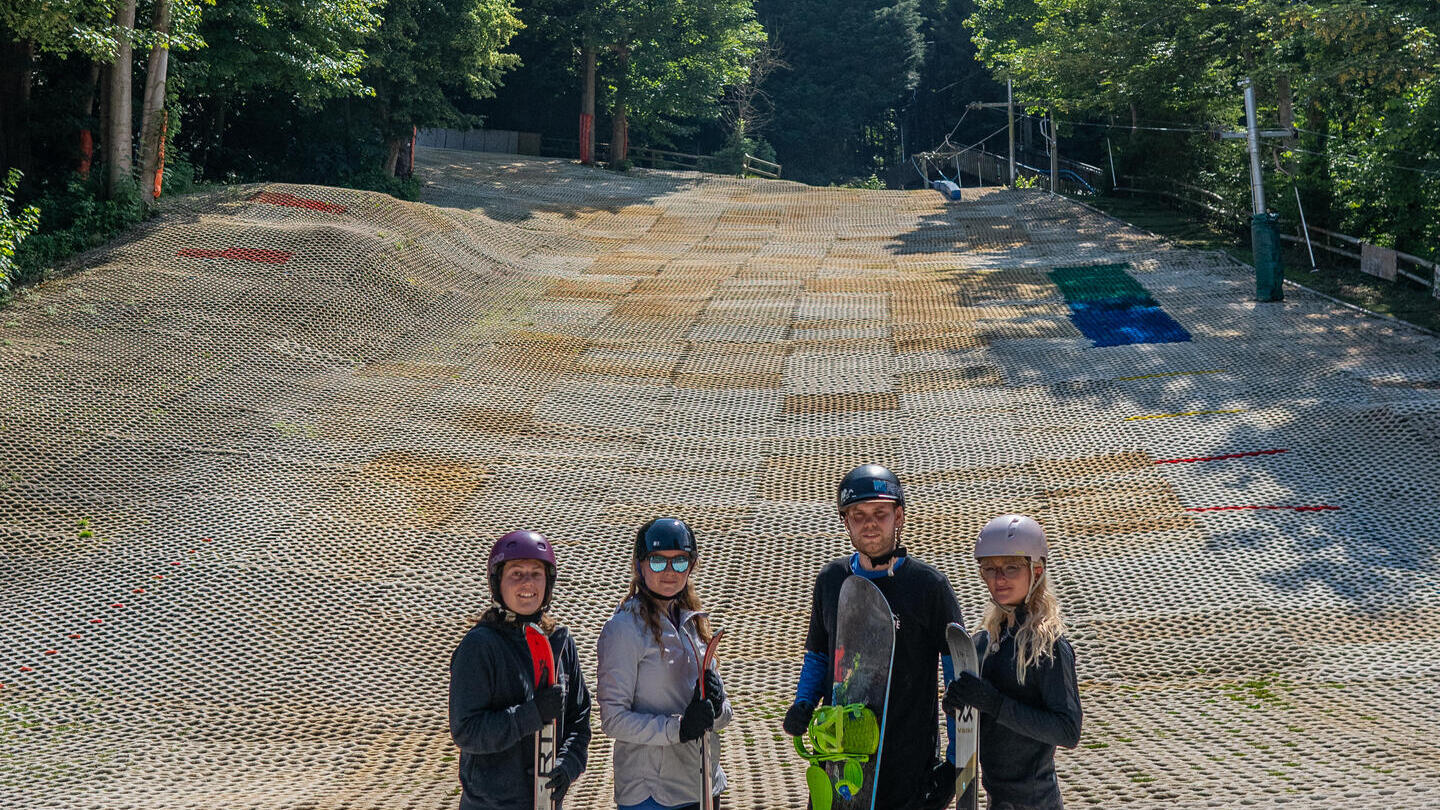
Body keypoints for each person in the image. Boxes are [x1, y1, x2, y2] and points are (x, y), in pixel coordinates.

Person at [783, 463, 967, 810]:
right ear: (845, 520)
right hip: (842, 760)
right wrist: (804, 702)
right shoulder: (831, 580)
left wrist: (955, 764)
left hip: (908, 765)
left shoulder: (928, 586)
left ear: (898, 517)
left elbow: (958, 677)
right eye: (858, 514)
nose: (870, 523)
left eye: (880, 513)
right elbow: (818, 653)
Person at [942, 514, 1082, 810]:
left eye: (1011, 568)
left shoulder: (1048, 647)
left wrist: (994, 703)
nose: (999, 579)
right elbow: (984, 721)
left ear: (1037, 570)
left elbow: (1068, 730)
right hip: (995, 799)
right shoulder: (985, 642)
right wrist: (960, 708)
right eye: (990, 569)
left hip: (1037, 802)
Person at [448, 530, 591, 810]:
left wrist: (568, 765)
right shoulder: (480, 646)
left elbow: (579, 720)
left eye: (536, 573)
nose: (527, 582)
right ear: (497, 583)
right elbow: (467, 731)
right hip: (490, 804)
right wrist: (531, 715)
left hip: (546, 802)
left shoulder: (560, 643)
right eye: (516, 573)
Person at [597, 517, 732, 810]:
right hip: (652, 793)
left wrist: (718, 706)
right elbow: (613, 719)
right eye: (658, 562)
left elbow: (718, 717)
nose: (670, 572)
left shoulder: (693, 621)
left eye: (680, 562)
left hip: (702, 782)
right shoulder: (624, 629)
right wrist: (678, 730)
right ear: (640, 565)